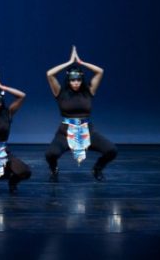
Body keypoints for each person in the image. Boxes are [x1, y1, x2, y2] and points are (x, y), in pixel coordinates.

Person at [45, 46, 117, 182]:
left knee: (111, 150)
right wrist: (69, 62)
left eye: (78, 80)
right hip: (66, 132)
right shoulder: (60, 92)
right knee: (50, 154)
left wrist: (80, 62)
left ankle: (97, 168)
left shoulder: (89, 91)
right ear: (68, 80)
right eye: (73, 80)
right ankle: (54, 170)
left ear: (82, 80)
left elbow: (100, 71)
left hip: (87, 131)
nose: (76, 83)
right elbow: (50, 74)